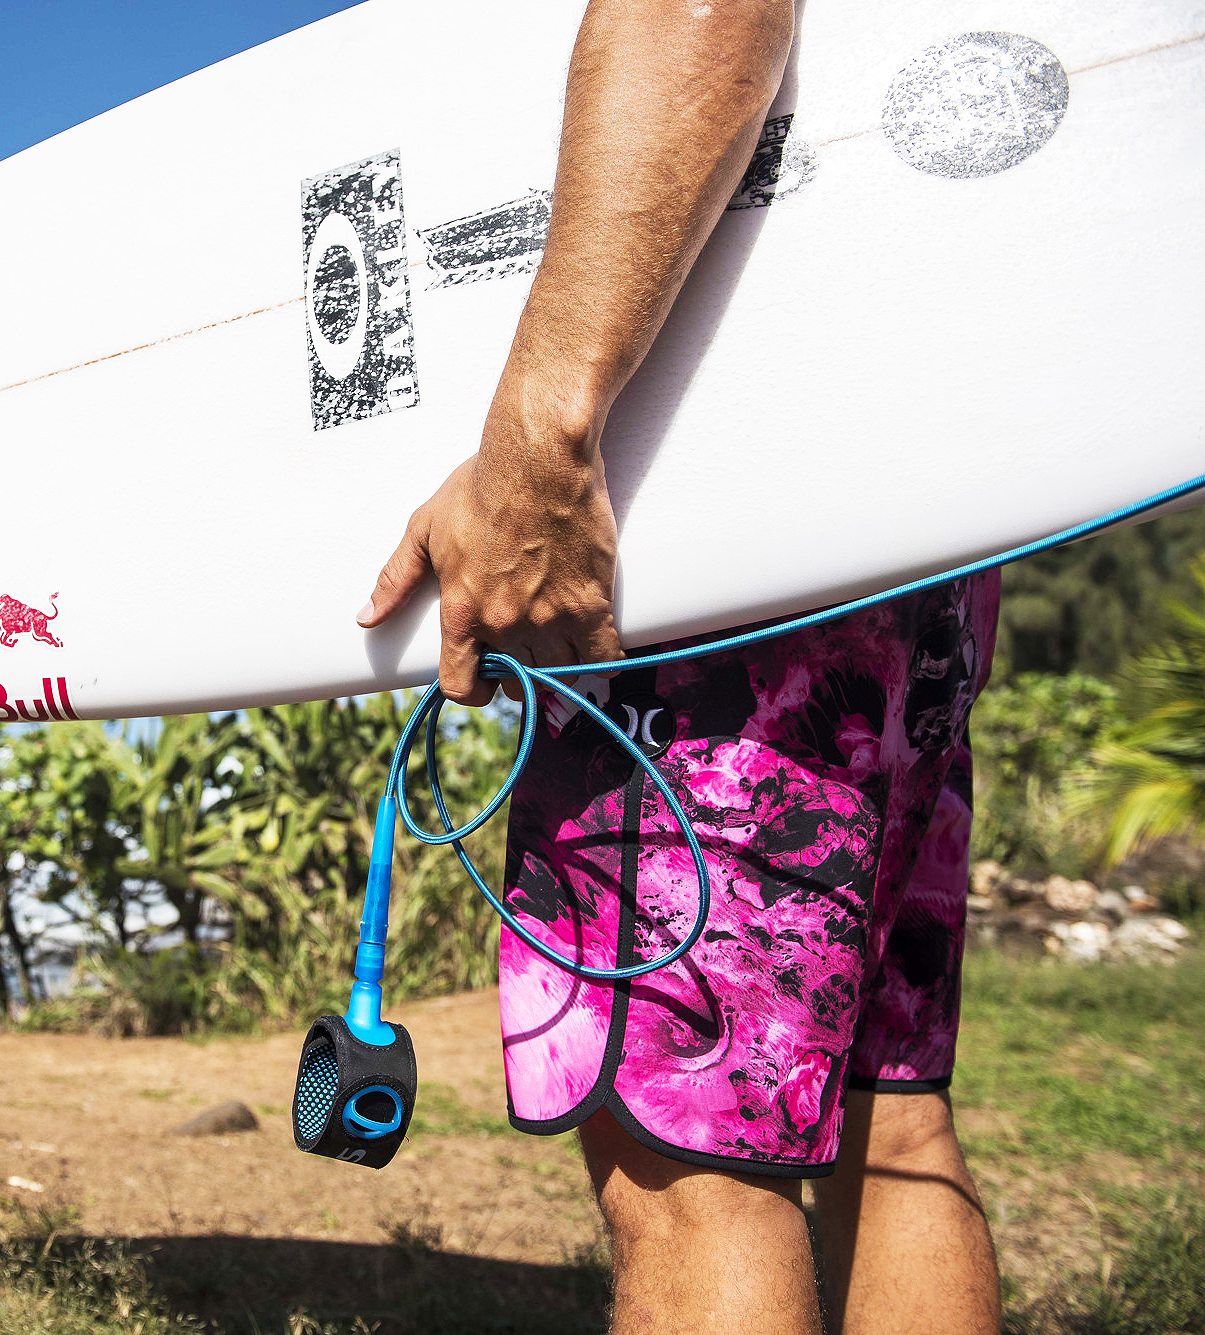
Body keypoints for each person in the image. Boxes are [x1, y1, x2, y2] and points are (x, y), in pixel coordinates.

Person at [357, 1, 1003, 1330]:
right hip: (907, 510)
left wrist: (541, 437)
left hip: (728, 547)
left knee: (692, 1170)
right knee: (886, 1124)